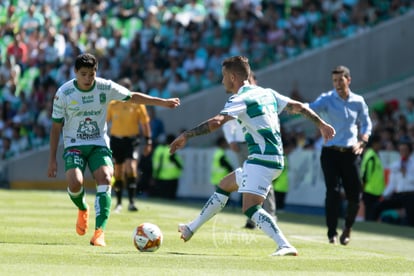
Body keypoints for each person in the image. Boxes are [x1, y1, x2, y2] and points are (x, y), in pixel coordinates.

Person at [169, 56, 336, 256]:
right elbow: (299, 107)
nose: (222, 81)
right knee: (225, 185)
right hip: (269, 158)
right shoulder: (267, 93)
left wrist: (187, 135)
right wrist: (321, 124)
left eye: (223, 76)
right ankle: (191, 228)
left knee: (250, 208)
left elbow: (217, 122)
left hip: (262, 160)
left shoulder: (240, 98)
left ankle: (284, 244)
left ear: (232, 77)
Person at [47, 53, 180, 247]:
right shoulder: (64, 93)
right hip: (74, 145)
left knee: (106, 177)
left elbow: (131, 96)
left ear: (96, 71)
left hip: (99, 144)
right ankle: (83, 208)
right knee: (75, 183)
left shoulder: (105, 86)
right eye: (83, 74)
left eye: (91, 74)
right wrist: (52, 159)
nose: (87, 79)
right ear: (75, 72)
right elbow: (56, 127)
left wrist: (163, 102)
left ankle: (99, 233)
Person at [308, 65, 372, 245]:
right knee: (333, 192)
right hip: (330, 153)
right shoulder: (326, 99)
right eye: (334, 80)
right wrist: (296, 108)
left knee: (355, 195)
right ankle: (331, 233)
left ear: (348, 80)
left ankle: (348, 228)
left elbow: (367, 124)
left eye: (340, 80)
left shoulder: (358, 101)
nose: (337, 84)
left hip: (351, 153)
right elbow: (309, 108)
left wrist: (363, 140)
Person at [222, 72, 277, 229]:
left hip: (259, 143)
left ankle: (271, 215)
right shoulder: (237, 96)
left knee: (265, 179)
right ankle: (252, 218)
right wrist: (231, 139)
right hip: (242, 143)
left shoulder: (263, 96)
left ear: (254, 81)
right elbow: (227, 120)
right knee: (246, 179)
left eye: (249, 80)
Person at [107, 77, 152, 213]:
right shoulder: (113, 104)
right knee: (118, 170)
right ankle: (119, 203)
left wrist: (148, 140)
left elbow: (145, 124)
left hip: (132, 140)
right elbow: (104, 122)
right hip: (116, 140)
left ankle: (132, 202)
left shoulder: (137, 104)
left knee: (131, 167)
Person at [374, 137, 414, 226]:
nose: (403, 152)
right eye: (401, 150)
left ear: (410, 151)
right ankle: (372, 226)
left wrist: (406, 174)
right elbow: (392, 184)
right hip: (399, 195)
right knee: (378, 206)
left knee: (410, 218)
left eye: (405, 150)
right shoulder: (396, 165)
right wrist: (383, 195)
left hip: (411, 195)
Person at [360, 134, 386, 221]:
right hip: (370, 191)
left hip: (375, 191)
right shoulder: (371, 156)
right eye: (379, 143)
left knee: (373, 215)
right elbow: (366, 174)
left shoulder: (375, 155)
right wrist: (363, 187)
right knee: (370, 216)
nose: (381, 145)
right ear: (375, 143)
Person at [151, 134, 183, 199]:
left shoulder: (158, 149)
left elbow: (156, 163)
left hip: (159, 177)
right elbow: (179, 165)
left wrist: (154, 176)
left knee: (160, 198)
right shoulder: (172, 149)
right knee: (170, 199)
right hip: (172, 178)